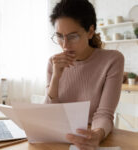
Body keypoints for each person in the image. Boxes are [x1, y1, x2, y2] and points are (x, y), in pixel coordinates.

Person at [44, 0, 124, 149]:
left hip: (89, 138)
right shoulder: (53, 63)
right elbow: (50, 115)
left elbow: (104, 114)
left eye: (73, 36)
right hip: (58, 140)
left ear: (90, 31)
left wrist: (97, 135)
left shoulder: (112, 60)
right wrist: (56, 77)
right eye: (60, 36)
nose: (65, 45)